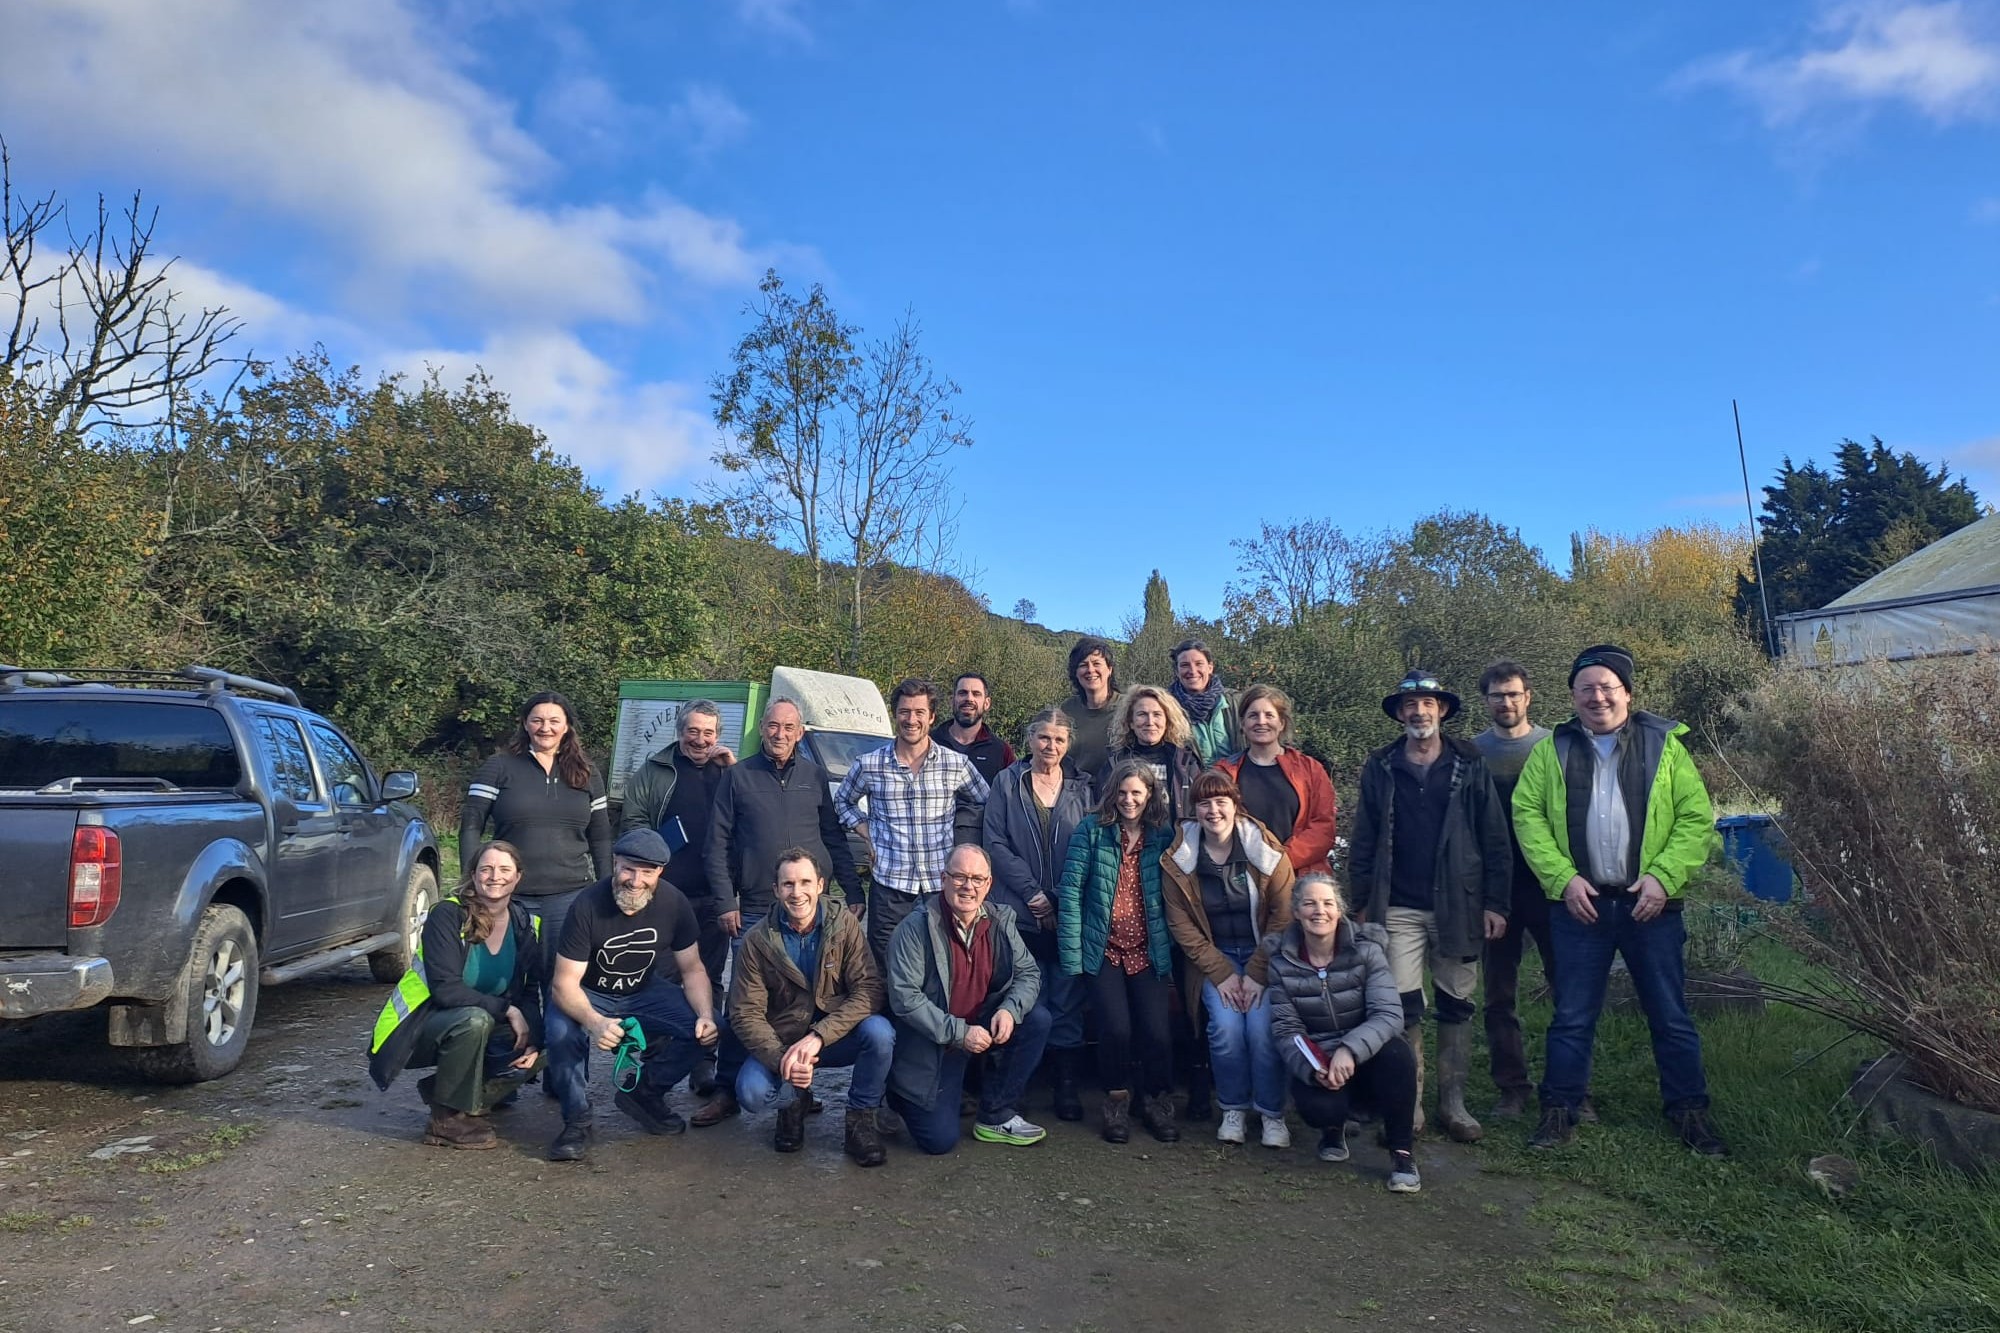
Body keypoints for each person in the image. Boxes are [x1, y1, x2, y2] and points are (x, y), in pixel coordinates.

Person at [1514, 645, 1728, 1156]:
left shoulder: (1665, 745)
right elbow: (1528, 816)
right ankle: (1559, 1110)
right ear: (1572, 696)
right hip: (1579, 905)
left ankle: (1689, 1113)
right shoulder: (1553, 749)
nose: (1597, 696)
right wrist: (1564, 879)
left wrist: (1661, 877)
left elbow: (1695, 819)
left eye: (1608, 686)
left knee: (1670, 1014)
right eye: (1586, 687)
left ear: (1627, 693)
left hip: (1650, 905)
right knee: (1571, 1015)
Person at [1347, 671, 1511, 1143]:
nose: (1419, 712)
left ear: (1442, 711)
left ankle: (1453, 1104)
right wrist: (1360, 903)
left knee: (1457, 1003)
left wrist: (1496, 903)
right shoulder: (1381, 766)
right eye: (1410, 705)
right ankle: (1410, 1104)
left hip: (1459, 904)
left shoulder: (1469, 763)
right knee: (1400, 1007)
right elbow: (1365, 837)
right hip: (1396, 904)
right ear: (1399, 714)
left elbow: (1493, 838)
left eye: (1428, 704)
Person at [696, 697, 864, 1127]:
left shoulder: (814, 776)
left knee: (806, 998)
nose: (780, 734)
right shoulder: (737, 777)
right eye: (773, 726)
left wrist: (853, 886)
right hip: (754, 906)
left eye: (789, 727)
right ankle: (727, 1088)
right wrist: (724, 900)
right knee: (744, 1002)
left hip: (813, 905)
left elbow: (832, 834)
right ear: (762, 729)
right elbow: (716, 843)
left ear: (800, 732)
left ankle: (800, 1093)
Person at [542, 828, 721, 1163]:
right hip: (587, 992)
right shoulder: (586, 905)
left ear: (660, 873)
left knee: (708, 1028)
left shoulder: (674, 902)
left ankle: (645, 1093)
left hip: (643, 991)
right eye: (628, 869)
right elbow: (563, 984)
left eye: (646, 872)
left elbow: (693, 969)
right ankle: (577, 1119)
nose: (635, 880)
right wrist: (595, 1023)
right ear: (614, 863)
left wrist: (706, 1015)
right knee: (560, 1032)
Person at [368, 840, 545, 1150]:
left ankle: (458, 1092)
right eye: (486, 869)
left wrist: (534, 1039)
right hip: (418, 1028)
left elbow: (529, 992)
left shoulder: (525, 923)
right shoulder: (447, 915)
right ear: (473, 874)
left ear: (518, 877)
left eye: (505, 869)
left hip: (480, 1021)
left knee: (556, 1039)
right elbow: (446, 990)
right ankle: (446, 1119)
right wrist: (508, 1010)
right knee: (473, 1020)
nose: (495, 876)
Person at [728, 848, 894, 1166]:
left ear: (820, 885)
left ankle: (859, 1120)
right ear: (776, 890)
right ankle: (793, 1100)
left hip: (833, 1039)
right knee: (751, 1094)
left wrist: (818, 1036)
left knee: (880, 1033)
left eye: (805, 882)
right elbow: (745, 1013)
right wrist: (784, 1061)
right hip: (784, 1043)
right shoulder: (756, 941)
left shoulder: (844, 926)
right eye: (788, 884)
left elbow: (869, 989)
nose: (797, 892)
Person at [884, 845, 1051, 1154]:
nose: (968, 886)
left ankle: (996, 1113)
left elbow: (1028, 973)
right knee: (939, 1141)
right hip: (935, 1042)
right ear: (943, 879)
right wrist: (960, 1033)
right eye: (960, 876)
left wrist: (1009, 1011)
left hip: (980, 1026)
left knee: (1037, 1020)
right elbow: (905, 998)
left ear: (989, 884)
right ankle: (896, 1095)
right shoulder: (915, 928)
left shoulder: (1000, 921)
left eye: (977, 878)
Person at [1160, 770, 1296, 1148]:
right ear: (1195, 810)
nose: (1213, 810)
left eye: (1221, 801)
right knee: (1226, 1030)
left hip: (1263, 958)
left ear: (1236, 806)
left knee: (1262, 1028)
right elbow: (1181, 923)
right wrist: (1221, 973)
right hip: (1211, 961)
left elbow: (1284, 916)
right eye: (1204, 803)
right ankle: (1233, 1107)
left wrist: (1256, 972)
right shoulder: (1179, 858)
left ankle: (1271, 1113)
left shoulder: (1265, 851)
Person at [1266, 873, 1422, 1193]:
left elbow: (1389, 1014)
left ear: (1340, 910)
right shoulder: (1281, 962)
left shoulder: (1367, 951)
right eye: (1309, 903)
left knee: (1400, 1056)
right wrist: (1313, 1067)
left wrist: (1349, 1049)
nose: (1318, 911)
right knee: (1319, 1107)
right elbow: (1287, 1029)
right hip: (1322, 1055)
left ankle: (1402, 1154)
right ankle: (1333, 1128)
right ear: (1296, 912)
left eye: (1327, 903)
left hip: (1371, 1051)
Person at [619, 700, 736, 1099]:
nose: (700, 740)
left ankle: (704, 1062)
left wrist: (734, 769)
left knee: (711, 979)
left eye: (708, 733)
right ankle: (657, 1059)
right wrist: (659, 848)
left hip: (715, 897)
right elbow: (632, 826)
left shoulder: (728, 773)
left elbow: (750, 817)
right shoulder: (653, 773)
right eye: (692, 731)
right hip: (666, 899)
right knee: (663, 977)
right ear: (680, 731)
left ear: (718, 736)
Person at [982, 707, 1094, 1121]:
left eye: (1059, 740)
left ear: (1068, 745)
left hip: (1068, 913)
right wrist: (1033, 895)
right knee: (1027, 999)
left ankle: (1065, 1086)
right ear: (1030, 740)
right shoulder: (1006, 783)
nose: (1051, 746)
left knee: (1066, 999)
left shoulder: (1083, 790)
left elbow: (1089, 847)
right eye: (1044, 738)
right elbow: (995, 841)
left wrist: (1059, 898)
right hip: (1017, 909)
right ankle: (1020, 1082)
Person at [1058, 763, 1179, 1144]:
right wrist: (1074, 957)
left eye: (1137, 794)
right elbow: (1072, 892)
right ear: (1113, 793)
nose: (1129, 801)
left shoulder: (1163, 836)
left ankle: (1155, 1102)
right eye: (1123, 793)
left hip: (1149, 948)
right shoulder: (1091, 831)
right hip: (1103, 948)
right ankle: (1116, 1101)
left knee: (1158, 1033)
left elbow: (1179, 890)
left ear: (1149, 796)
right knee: (1115, 1029)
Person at [836, 678, 990, 976]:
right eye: (905, 711)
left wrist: (963, 843)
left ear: (932, 717)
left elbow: (987, 803)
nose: (912, 719)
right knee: (886, 971)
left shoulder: (955, 764)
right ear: (895, 714)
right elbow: (842, 803)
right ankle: (886, 1024)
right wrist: (866, 832)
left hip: (940, 886)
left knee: (941, 970)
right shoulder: (869, 764)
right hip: (890, 888)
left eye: (920, 712)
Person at [460, 691, 612, 981]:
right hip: (509, 896)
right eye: (537, 720)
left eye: (554, 721)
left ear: (567, 726)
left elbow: (601, 837)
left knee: (563, 983)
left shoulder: (588, 773)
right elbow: (470, 826)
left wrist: (606, 888)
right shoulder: (498, 767)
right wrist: (472, 882)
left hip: (570, 897)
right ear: (525, 724)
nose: (546, 728)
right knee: (509, 980)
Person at [1471, 661, 1560, 1119]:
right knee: (1499, 994)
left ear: (1528, 697)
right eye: (1496, 695)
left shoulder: (1554, 746)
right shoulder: (1473, 753)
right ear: (1485, 701)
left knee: (1567, 988)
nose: (1505, 702)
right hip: (1496, 890)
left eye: (1513, 694)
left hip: (1551, 884)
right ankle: (1511, 1087)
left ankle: (1569, 1090)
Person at [1215, 684, 1340, 877]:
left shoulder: (1310, 769)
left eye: (1269, 715)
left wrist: (1280, 861)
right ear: (1242, 723)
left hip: (1301, 877)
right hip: (1244, 878)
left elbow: (1323, 827)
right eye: (1253, 715)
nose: (1261, 721)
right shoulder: (1224, 773)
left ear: (1282, 723)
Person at [1096, 684, 1202, 826]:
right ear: (1130, 723)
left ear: (1167, 721)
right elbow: (1103, 811)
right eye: (1142, 715)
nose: (1150, 722)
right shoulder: (1115, 764)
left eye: (1157, 715)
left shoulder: (1185, 762)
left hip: (1178, 844)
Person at [1058, 636, 1124, 781]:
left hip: (1117, 792)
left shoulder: (1127, 708)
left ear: (1109, 669)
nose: (1090, 670)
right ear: (1075, 672)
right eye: (1083, 665)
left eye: (1096, 663)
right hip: (1075, 792)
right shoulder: (1067, 710)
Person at [932, 672, 1016, 786]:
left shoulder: (1001, 751)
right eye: (963, 693)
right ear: (951, 700)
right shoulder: (930, 743)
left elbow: (1011, 795)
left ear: (986, 703)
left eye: (976, 694)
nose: (969, 699)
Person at [1168, 638, 1240, 766]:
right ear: (1176, 671)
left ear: (1210, 667)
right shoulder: (1168, 708)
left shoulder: (1235, 701)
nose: (1192, 671)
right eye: (1185, 665)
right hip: (1194, 784)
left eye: (1199, 664)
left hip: (1237, 782)